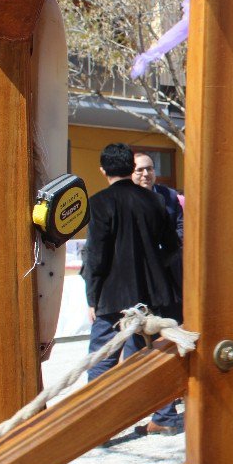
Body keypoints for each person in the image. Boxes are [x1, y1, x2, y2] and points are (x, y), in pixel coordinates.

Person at [81, 143, 183, 434]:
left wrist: (92, 296)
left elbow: (96, 255)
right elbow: (172, 246)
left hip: (113, 297)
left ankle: (96, 427)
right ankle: (165, 416)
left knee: (102, 359)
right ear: (130, 168)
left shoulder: (99, 202)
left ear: (103, 170)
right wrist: (155, 268)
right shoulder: (154, 201)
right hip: (152, 295)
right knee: (150, 356)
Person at [132, 152, 184, 242]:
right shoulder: (123, 198)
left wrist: (166, 244)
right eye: (140, 170)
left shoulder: (170, 195)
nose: (146, 174)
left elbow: (182, 226)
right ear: (130, 173)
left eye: (149, 169)